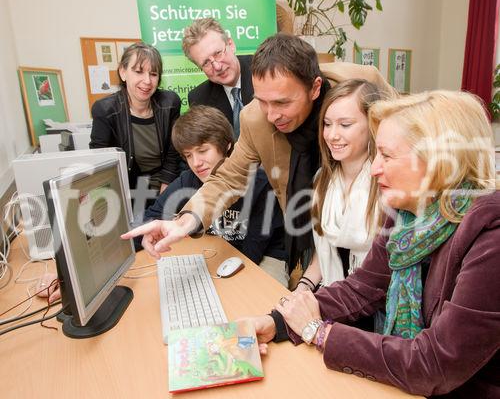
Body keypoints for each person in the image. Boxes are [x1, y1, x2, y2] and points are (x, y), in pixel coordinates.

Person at [250, 90, 500, 398]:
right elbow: (362, 288)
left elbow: (436, 362)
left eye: (387, 155)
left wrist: (320, 332)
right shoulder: (404, 213)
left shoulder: (491, 235)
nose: (373, 168)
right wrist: (277, 323)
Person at [122, 33, 393, 284]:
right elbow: (228, 178)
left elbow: (407, 130)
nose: (271, 115)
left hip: (371, 217)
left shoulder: (363, 84)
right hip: (312, 222)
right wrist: (183, 222)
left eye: (282, 103)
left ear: (314, 88)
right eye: (262, 101)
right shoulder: (255, 119)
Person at [135, 105, 288, 286]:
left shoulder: (260, 183)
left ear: (226, 145)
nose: (196, 163)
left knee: (256, 296)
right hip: (219, 251)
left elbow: (253, 250)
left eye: (202, 151)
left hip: (264, 253)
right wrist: (146, 234)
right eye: (188, 155)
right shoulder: (189, 180)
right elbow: (150, 218)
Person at [295, 79, 382, 292]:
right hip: (333, 293)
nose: (332, 135)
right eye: (327, 123)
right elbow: (324, 252)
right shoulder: (322, 180)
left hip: (371, 303)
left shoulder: (385, 184)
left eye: (345, 125)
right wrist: (302, 288)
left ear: (373, 124)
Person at [90, 42, 182, 199]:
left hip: (169, 182)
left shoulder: (170, 102)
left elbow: (175, 150)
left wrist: (166, 186)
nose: (147, 81)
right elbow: (100, 163)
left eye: (153, 74)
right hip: (128, 190)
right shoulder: (105, 110)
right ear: (123, 72)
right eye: (139, 72)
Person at [182, 18, 253, 136]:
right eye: (206, 63)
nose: (217, 66)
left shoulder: (264, 70)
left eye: (218, 53)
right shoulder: (200, 99)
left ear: (231, 45)